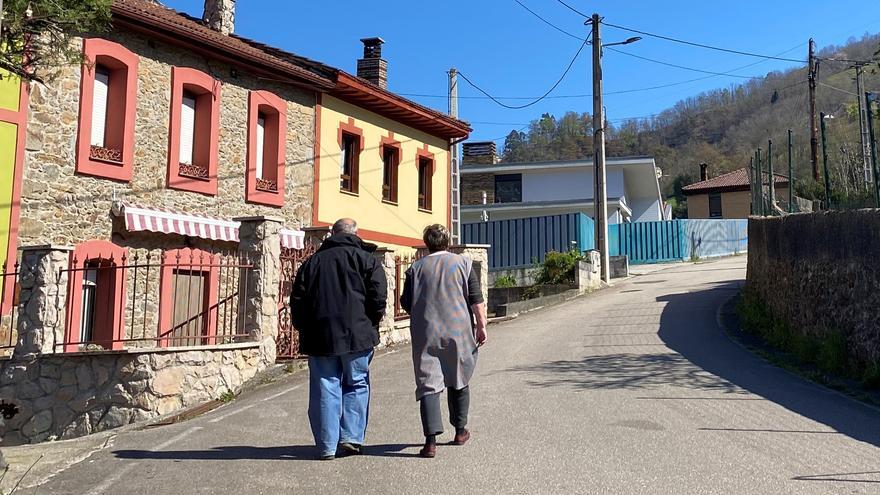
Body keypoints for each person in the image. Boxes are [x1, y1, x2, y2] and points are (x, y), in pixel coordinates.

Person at [291, 218, 387, 460]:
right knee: (356, 383)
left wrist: (303, 327)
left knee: (325, 387)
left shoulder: (312, 262)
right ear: (356, 233)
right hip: (358, 334)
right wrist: (371, 322)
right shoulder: (367, 259)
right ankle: (351, 438)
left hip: (320, 335)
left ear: (331, 235)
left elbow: (298, 301)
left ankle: (326, 446)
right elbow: (378, 297)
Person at [401, 224, 488, 458]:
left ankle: (430, 442)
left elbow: (406, 302)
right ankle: (460, 431)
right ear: (448, 242)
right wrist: (481, 325)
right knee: (459, 376)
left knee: (428, 383)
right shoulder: (463, 264)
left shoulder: (415, 268)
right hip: (458, 330)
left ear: (426, 243)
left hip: (426, 330)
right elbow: (476, 299)